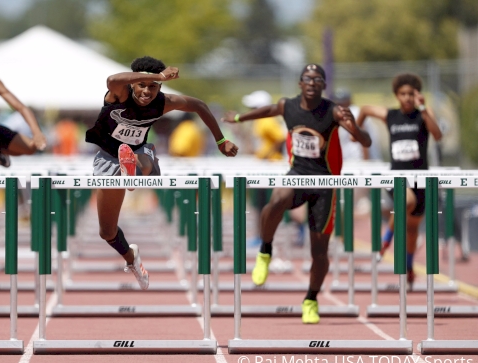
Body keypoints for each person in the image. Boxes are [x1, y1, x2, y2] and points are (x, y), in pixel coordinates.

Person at [222, 64, 372, 324]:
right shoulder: (287, 106)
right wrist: (238, 119)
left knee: (319, 252)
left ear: (324, 85)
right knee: (277, 199)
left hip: (325, 184)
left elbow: (365, 141)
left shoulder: (334, 111)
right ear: (300, 84)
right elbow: (267, 110)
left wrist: (355, 128)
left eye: (317, 79)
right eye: (307, 78)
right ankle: (265, 251)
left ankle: (311, 300)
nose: (312, 82)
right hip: (297, 175)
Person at [86, 56, 238, 290]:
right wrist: (157, 76)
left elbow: (199, 105)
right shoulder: (119, 93)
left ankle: (135, 166)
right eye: (142, 85)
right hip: (107, 158)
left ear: (160, 88)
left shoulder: (164, 102)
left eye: (153, 87)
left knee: (144, 159)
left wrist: (221, 140)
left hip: (141, 152)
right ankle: (131, 258)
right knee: (107, 232)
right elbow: (112, 78)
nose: (147, 91)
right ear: (133, 84)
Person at [356, 73, 442, 290]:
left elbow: (438, 135)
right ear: (396, 95)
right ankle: (385, 242)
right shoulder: (390, 115)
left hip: (421, 179)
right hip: (396, 177)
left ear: (417, 95)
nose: (406, 98)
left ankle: (409, 266)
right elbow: (365, 109)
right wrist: (355, 133)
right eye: (402, 94)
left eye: (411, 94)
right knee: (406, 202)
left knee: (412, 230)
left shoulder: (423, 114)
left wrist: (423, 109)